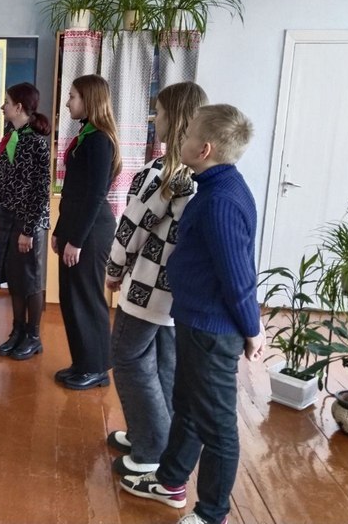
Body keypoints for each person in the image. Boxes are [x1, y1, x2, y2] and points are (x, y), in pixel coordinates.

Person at [120, 104, 265, 524]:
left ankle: (212, 514)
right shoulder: (215, 187)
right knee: (186, 406)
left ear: (204, 149)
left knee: (217, 426)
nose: (178, 140)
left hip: (212, 330)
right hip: (196, 321)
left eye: (186, 136)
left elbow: (238, 276)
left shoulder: (221, 201)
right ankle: (170, 481)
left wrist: (253, 329)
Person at [105, 82, 208, 476]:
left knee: (128, 357)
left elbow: (131, 229)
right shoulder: (197, 175)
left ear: (175, 118)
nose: (154, 120)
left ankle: (150, 448)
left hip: (146, 289)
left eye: (160, 113)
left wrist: (113, 271)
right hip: (175, 292)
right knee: (164, 363)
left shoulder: (160, 173)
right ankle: (154, 438)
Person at [53, 74, 122, 390]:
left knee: (87, 298)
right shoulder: (86, 134)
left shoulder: (99, 140)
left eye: (72, 96)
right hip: (78, 226)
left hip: (91, 232)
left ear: (89, 100)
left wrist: (77, 240)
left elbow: (94, 196)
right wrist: (60, 231)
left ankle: (96, 368)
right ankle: (82, 362)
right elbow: (73, 191)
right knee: (70, 297)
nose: (68, 103)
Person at [0, 83, 51, 360]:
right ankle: (17, 332)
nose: (2, 106)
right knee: (14, 277)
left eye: (6, 101)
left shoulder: (36, 143)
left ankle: (33, 337)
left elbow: (40, 191)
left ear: (18, 106)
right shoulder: (10, 136)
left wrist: (28, 230)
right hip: (6, 217)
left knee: (30, 280)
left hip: (28, 221)